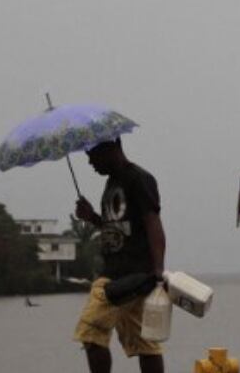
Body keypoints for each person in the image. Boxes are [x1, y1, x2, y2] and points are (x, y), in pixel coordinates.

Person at [72, 138, 166, 373]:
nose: (90, 162)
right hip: (120, 270)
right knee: (145, 343)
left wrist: (158, 271)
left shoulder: (139, 179)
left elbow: (153, 222)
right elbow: (115, 229)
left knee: (90, 332)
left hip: (127, 276)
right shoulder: (111, 184)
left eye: (93, 155)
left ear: (111, 148)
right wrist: (92, 217)